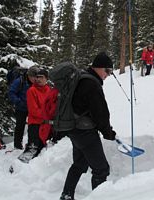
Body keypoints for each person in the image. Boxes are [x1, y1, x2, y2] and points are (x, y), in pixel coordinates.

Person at [60, 52, 117, 200]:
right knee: (101, 169)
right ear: (98, 68)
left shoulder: (82, 77)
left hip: (74, 129)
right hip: (85, 132)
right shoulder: (91, 84)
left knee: (79, 164)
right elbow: (100, 113)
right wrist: (107, 132)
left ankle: (66, 195)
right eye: (108, 70)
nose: (108, 74)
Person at [22, 68, 51, 159]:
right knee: (33, 148)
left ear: (46, 79)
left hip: (46, 124)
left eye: (41, 77)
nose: (38, 79)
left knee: (42, 149)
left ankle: (34, 168)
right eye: (37, 77)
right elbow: (33, 110)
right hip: (35, 124)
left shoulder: (49, 90)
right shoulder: (32, 90)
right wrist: (46, 117)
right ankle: (18, 166)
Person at [8, 66, 38, 149]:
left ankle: (31, 143)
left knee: (32, 126)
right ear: (29, 75)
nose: (35, 79)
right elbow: (11, 92)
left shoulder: (36, 83)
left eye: (36, 77)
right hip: (21, 107)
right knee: (20, 126)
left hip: (31, 108)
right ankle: (17, 145)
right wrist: (18, 102)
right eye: (33, 77)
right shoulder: (19, 81)